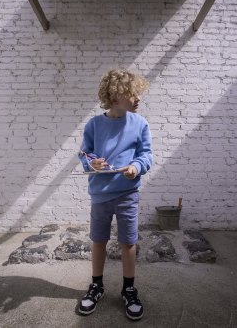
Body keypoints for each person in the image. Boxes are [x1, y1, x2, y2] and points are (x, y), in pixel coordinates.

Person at [77, 69, 153, 321]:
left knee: (128, 242)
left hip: (128, 195)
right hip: (100, 195)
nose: (138, 98)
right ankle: (96, 285)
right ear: (115, 95)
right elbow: (84, 154)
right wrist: (92, 164)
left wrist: (136, 167)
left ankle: (129, 288)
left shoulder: (140, 124)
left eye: (138, 93)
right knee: (98, 240)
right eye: (133, 93)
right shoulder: (94, 125)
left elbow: (146, 155)